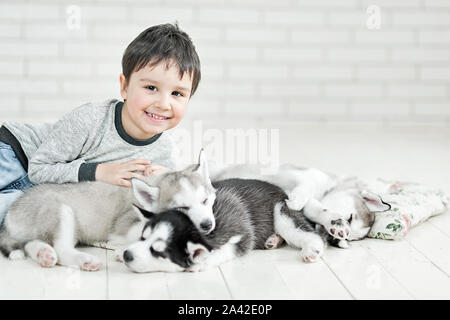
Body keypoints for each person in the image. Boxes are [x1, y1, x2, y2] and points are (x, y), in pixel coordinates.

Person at [0, 23, 201, 226]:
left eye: (177, 93)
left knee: (15, 220)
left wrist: (160, 183)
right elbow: (38, 169)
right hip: (15, 155)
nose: (163, 104)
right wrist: (98, 172)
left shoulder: (165, 155)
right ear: (124, 86)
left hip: (41, 192)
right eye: (151, 87)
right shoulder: (91, 119)